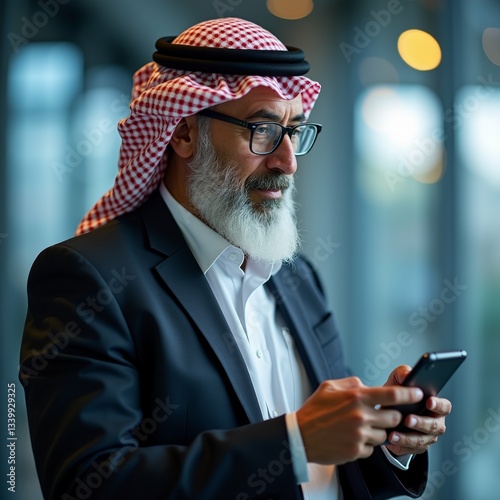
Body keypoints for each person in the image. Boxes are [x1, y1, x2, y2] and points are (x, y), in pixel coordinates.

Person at [20, 17, 451, 500]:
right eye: (263, 129)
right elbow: (88, 484)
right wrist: (293, 442)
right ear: (183, 133)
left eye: (294, 131)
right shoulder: (90, 278)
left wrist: (387, 439)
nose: (287, 161)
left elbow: (333, 468)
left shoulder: (297, 278)